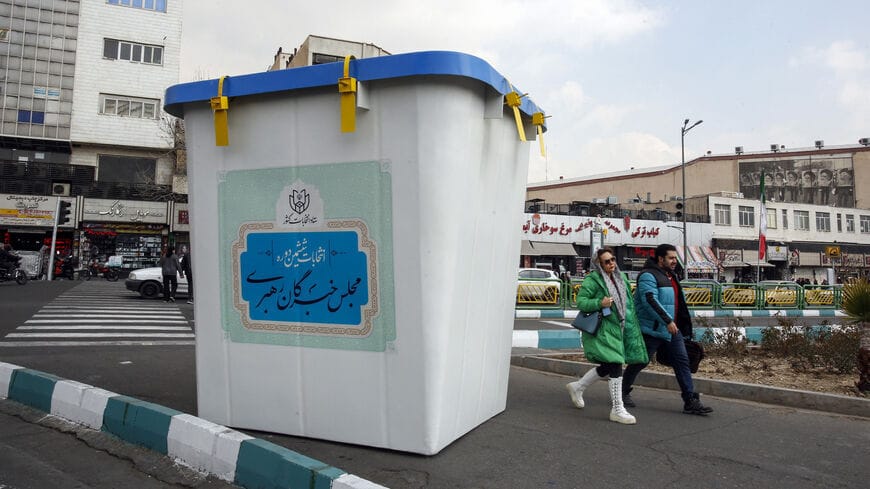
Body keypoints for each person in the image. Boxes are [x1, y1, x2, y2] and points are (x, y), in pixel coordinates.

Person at [622, 244, 714, 415]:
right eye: (671, 258)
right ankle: (622, 391)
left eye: (674, 258)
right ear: (660, 259)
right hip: (653, 328)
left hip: (672, 329)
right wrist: (667, 321)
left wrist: (679, 324)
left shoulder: (671, 275)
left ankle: (690, 400)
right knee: (640, 361)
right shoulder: (647, 275)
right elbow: (650, 300)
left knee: (682, 361)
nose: (674, 261)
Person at [566, 248, 648, 424]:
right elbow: (580, 302)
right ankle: (617, 408)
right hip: (603, 329)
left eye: (612, 260)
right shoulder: (593, 280)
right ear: (598, 264)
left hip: (620, 328)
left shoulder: (621, 278)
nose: (611, 263)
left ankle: (578, 387)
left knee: (607, 365)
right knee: (616, 363)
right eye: (606, 261)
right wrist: (599, 302)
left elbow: (628, 305)